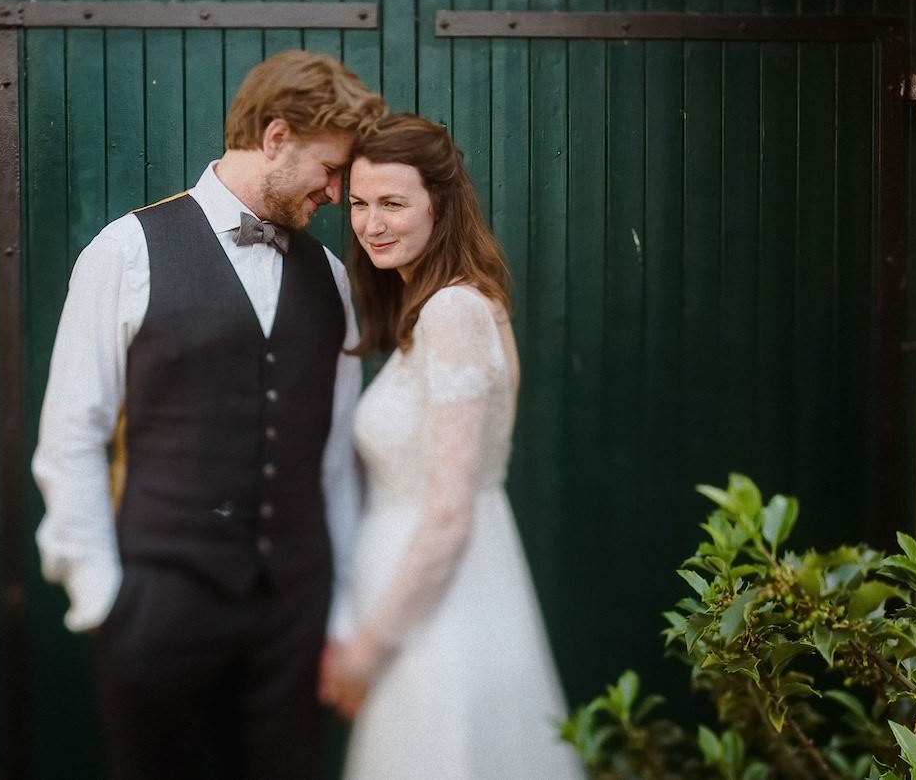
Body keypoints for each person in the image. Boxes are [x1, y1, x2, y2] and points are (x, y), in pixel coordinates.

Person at [31, 50, 386, 780]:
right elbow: (70, 434)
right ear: (276, 136)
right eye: (329, 167)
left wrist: (340, 614)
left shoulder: (334, 281)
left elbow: (334, 462)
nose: (336, 190)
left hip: (293, 616)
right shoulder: (125, 252)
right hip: (160, 608)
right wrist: (103, 600)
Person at [320, 113, 585, 780]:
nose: (371, 223)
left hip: (438, 614)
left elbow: (448, 513)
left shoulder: (453, 314)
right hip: (423, 595)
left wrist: (370, 648)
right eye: (358, 203)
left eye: (392, 204)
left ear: (440, 204)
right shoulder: (445, 304)